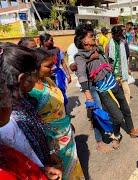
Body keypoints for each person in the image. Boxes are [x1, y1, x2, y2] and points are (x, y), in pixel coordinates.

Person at [73, 24, 138, 146]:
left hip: (115, 84)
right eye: (91, 36)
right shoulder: (80, 57)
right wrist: (88, 96)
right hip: (104, 91)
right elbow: (82, 75)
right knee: (118, 117)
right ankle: (116, 135)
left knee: (126, 109)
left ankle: (131, 130)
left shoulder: (97, 48)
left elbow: (107, 60)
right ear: (83, 40)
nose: (94, 37)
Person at [0, 44, 62, 179]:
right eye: (33, 75)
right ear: (21, 79)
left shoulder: (22, 101)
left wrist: (40, 169)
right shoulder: (8, 120)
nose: (35, 80)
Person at [29, 48, 84, 179]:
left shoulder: (48, 81)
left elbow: (59, 107)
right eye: (48, 66)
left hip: (65, 134)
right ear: (35, 67)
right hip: (51, 143)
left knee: (73, 167)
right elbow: (33, 123)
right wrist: (50, 150)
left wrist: (67, 122)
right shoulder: (30, 91)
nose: (54, 68)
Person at [39, 33, 71, 105]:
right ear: (44, 41)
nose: (52, 42)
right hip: (45, 77)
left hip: (58, 75)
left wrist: (68, 75)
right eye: (51, 40)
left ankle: (64, 111)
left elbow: (63, 62)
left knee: (61, 91)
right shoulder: (39, 52)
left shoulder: (57, 50)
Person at [107, 25, 131, 104]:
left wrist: (127, 68)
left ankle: (126, 109)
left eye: (120, 35)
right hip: (114, 73)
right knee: (116, 94)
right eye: (117, 35)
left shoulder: (122, 43)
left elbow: (126, 56)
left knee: (127, 91)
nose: (119, 37)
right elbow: (107, 60)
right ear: (113, 35)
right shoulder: (109, 45)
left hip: (122, 72)